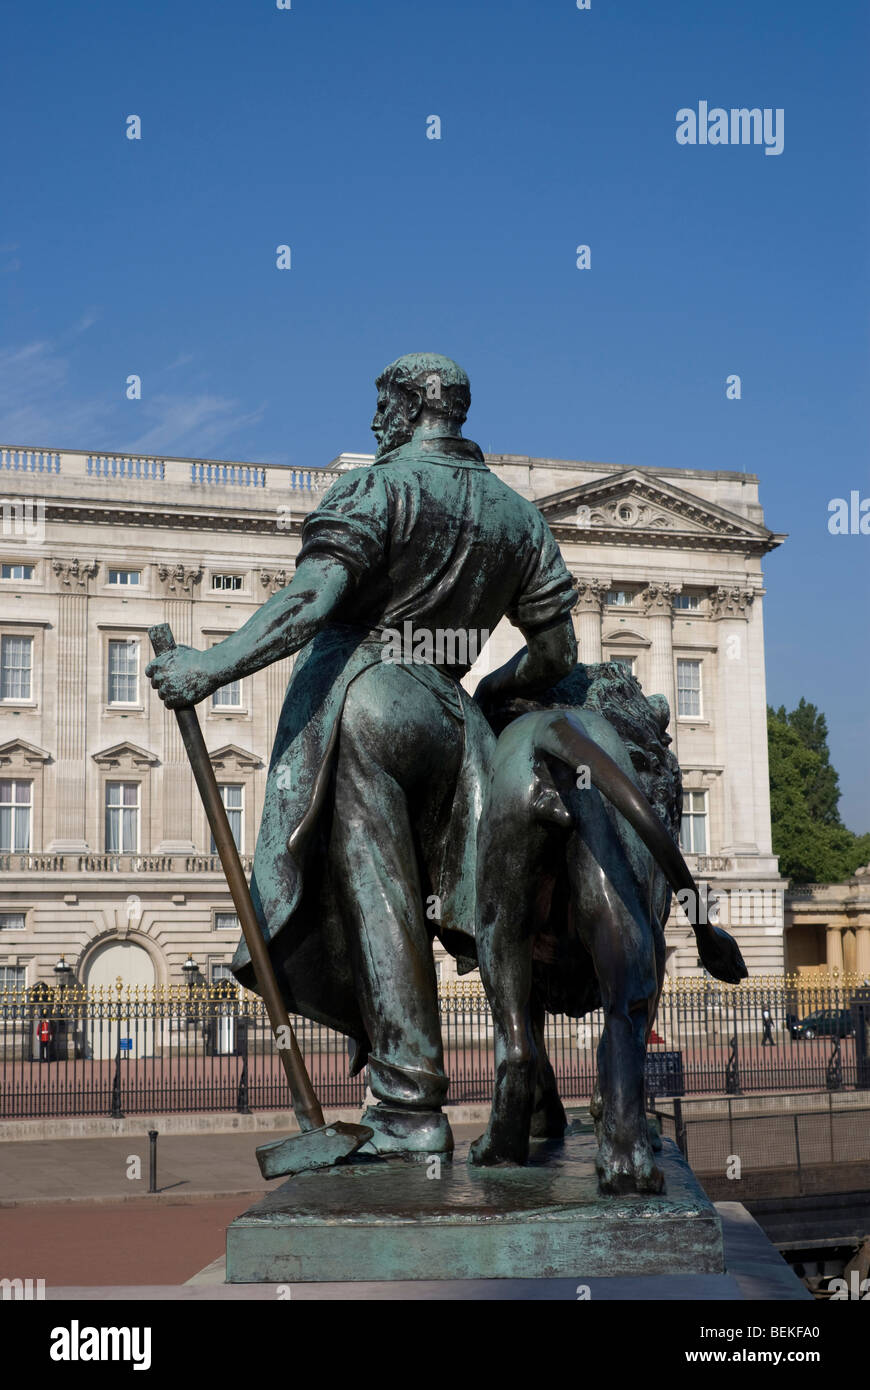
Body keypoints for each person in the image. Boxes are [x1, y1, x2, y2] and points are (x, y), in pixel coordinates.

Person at [147, 353, 577, 1159]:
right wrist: (489, 698)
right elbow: (555, 653)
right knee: (488, 920)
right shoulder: (520, 518)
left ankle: (410, 1108)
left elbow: (313, 599)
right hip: (457, 720)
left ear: (416, 405)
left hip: (372, 697)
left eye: (384, 406)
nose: (375, 422)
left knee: (378, 896)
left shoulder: (375, 487)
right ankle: (534, 1081)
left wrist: (209, 666)